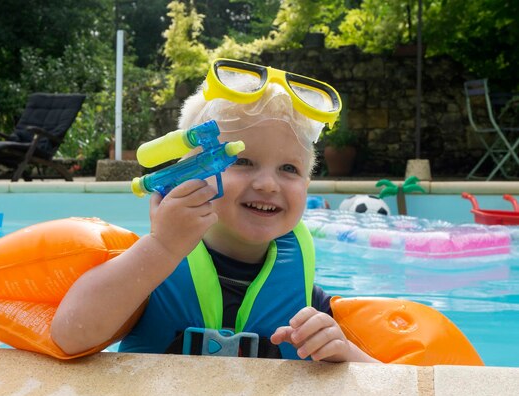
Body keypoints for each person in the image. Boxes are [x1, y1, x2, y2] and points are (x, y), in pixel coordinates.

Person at [51, 58, 379, 363]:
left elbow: (388, 385)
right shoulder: (150, 274)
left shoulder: (305, 298)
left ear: (306, 187)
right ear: (191, 173)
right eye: (241, 160)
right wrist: (162, 247)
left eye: (289, 169)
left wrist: (343, 352)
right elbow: (69, 336)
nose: (268, 184)